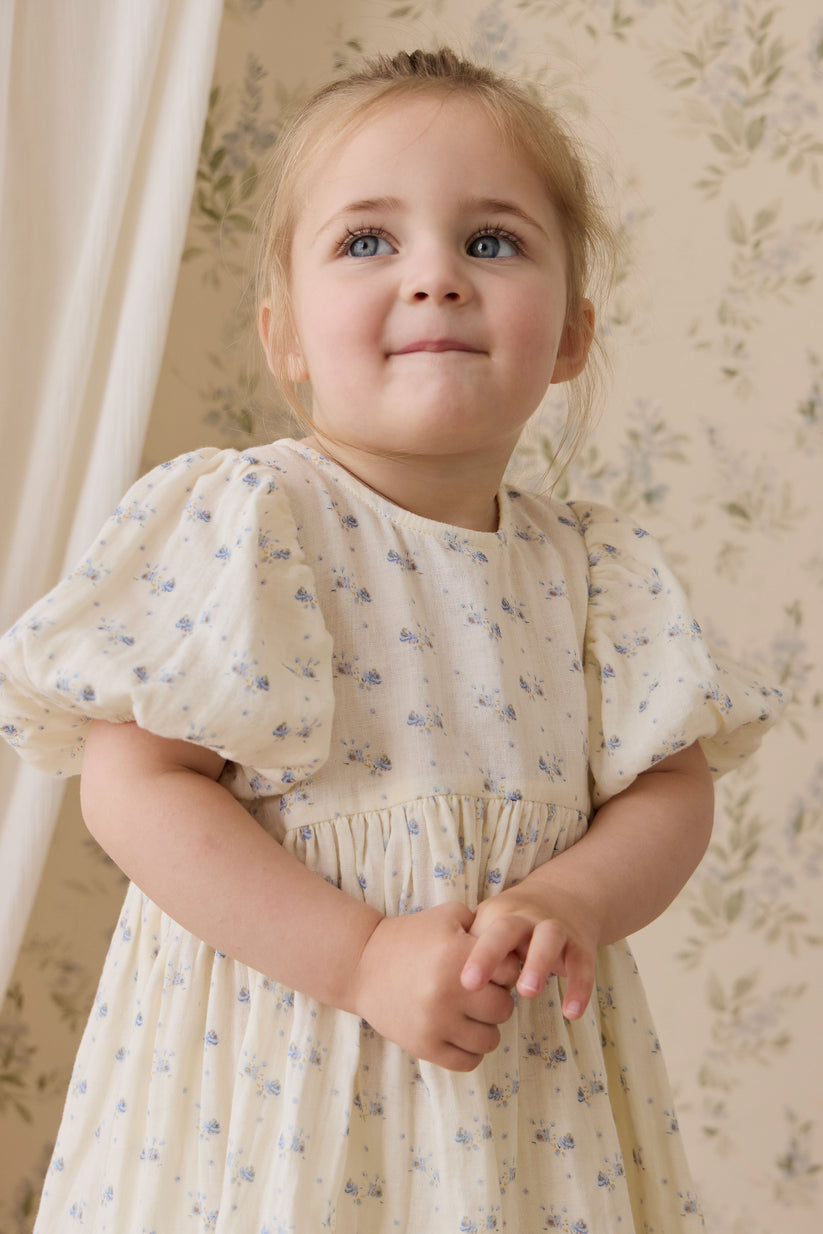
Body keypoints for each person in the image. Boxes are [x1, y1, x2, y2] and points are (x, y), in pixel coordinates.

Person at [0, 48, 782, 1233]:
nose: (435, 278)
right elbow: (133, 784)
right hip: (276, 1085)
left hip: (516, 1098)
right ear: (284, 335)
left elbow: (670, 787)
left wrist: (573, 896)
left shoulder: (595, 569)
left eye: (492, 241)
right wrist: (360, 956)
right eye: (368, 240)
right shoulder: (253, 523)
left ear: (571, 334)